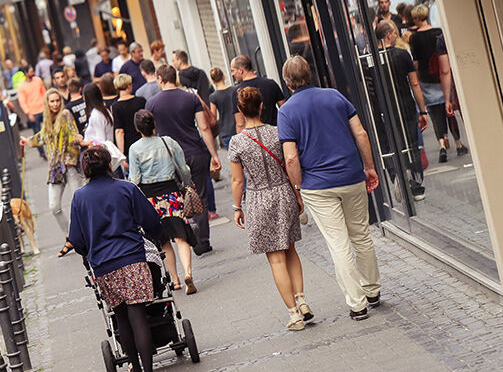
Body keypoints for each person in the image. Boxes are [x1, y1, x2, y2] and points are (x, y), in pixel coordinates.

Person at [277, 56, 381, 321]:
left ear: (287, 83)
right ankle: (373, 290)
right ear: (309, 74)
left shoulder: (287, 111)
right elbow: (361, 134)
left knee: (338, 243)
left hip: (317, 185)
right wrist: (368, 166)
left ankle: (357, 304)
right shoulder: (335, 96)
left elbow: (290, 157)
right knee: (361, 234)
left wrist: (297, 187)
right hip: (350, 176)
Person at [68, 146, 162, 372]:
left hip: (103, 265)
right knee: (137, 314)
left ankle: (135, 367)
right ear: (110, 165)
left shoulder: (79, 197)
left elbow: (76, 239)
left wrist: (89, 252)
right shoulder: (126, 188)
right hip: (132, 257)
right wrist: (154, 239)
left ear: (85, 169)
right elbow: (151, 221)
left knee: (121, 316)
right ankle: (148, 369)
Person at [228, 87, 311, 331]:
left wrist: (236, 207)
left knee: (276, 259)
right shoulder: (278, 133)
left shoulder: (237, 142)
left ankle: (294, 314)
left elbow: (237, 181)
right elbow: (289, 161)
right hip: (283, 193)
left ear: (241, 110)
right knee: (291, 249)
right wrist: (297, 194)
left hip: (257, 198)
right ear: (262, 106)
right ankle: (302, 300)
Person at [146, 64, 222, 255]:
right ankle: (202, 241)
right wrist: (213, 154)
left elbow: (152, 134)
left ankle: (187, 236)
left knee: (177, 199)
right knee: (200, 195)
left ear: (161, 79)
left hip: (168, 158)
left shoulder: (152, 104)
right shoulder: (190, 97)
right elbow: (204, 128)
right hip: (195, 151)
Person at [129, 110, 198, 294]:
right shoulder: (168, 142)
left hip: (150, 199)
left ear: (137, 128)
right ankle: (188, 273)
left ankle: (175, 280)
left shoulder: (135, 149)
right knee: (181, 236)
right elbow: (183, 169)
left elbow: (135, 179)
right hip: (172, 194)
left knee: (163, 240)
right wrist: (188, 184)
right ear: (154, 125)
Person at [20, 88, 82, 257]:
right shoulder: (47, 120)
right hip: (55, 168)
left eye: (57, 101)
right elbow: (42, 137)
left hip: (68, 165)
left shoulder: (66, 114)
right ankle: (70, 237)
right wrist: (28, 141)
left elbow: (72, 134)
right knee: (54, 206)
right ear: (47, 103)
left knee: (79, 203)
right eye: (52, 101)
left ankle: (83, 237)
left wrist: (72, 156)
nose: (55, 104)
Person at [375, 21, 429, 200]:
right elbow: (414, 83)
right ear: (389, 35)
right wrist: (422, 110)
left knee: (392, 143)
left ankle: (397, 174)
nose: (396, 35)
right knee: (410, 143)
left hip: (383, 109)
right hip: (404, 105)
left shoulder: (371, 59)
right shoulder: (402, 54)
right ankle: (415, 184)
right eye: (394, 33)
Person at [409, 4, 468, 162]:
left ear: (416, 18)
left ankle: (442, 144)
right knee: (450, 113)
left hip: (426, 79)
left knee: (435, 114)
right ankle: (458, 143)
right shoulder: (438, 33)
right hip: (441, 78)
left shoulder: (414, 38)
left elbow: (415, 62)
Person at [230, 55, 286, 134]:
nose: (232, 74)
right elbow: (284, 109)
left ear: (240, 70)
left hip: (253, 138)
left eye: (233, 70)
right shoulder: (271, 83)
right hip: (275, 133)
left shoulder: (238, 92)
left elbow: (240, 124)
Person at [112, 74, 147, 168]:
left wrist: (121, 155)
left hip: (130, 148)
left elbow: (119, 131)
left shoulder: (116, 107)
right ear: (128, 85)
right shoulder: (141, 101)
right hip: (145, 141)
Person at [17, 65, 48, 159]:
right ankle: (42, 152)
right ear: (26, 73)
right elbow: (22, 101)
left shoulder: (38, 80)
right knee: (36, 132)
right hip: (33, 112)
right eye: (31, 71)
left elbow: (44, 92)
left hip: (43, 108)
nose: (33, 72)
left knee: (48, 128)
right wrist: (28, 113)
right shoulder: (22, 86)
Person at [209, 67, 237, 148]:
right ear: (224, 77)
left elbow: (213, 117)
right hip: (238, 128)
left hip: (226, 131)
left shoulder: (213, 97)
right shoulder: (234, 90)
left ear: (213, 81)